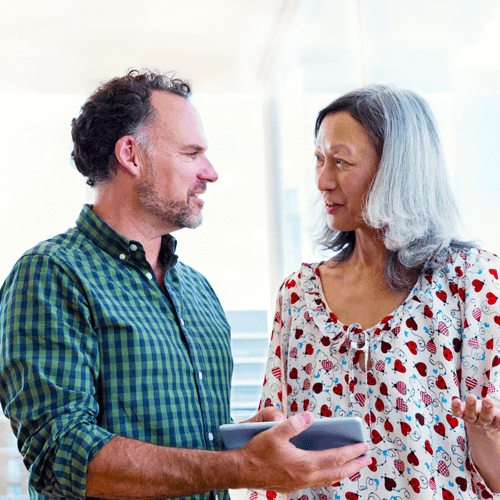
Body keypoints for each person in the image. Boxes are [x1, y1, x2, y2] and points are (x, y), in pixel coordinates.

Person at [0, 69, 371, 500]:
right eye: (192, 153)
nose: (210, 173)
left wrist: (249, 445)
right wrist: (238, 466)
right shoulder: (50, 274)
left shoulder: (198, 291)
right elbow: (60, 453)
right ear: (131, 156)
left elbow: (195, 453)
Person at [248, 84, 500, 500]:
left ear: (397, 172)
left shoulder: (472, 282)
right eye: (319, 159)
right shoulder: (299, 294)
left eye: (341, 162)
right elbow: (275, 463)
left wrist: (482, 433)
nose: (323, 181)